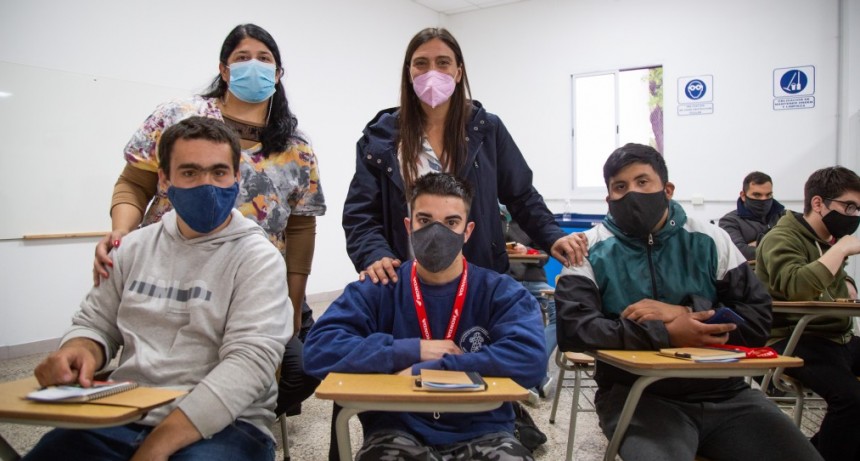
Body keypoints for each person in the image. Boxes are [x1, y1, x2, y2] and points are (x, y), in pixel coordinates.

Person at [91, 24, 324, 418]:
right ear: (224, 68)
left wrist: (293, 304)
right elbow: (134, 181)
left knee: (302, 368)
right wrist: (121, 233)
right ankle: (166, 406)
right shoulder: (179, 118)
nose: (254, 65)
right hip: (170, 275)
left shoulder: (294, 146)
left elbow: (301, 226)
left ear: (279, 73)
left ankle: (226, 412)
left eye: (264, 59)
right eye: (242, 57)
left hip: (253, 280)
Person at [23, 117, 290, 461]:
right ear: (164, 179)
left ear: (237, 176)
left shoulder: (258, 258)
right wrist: (81, 350)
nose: (207, 185)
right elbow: (95, 323)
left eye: (219, 172)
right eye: (190, 173)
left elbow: (248, 365)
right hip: (127, 411)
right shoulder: (133, 248)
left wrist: (157, 446)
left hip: (228, 424)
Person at [555, 143, 821, 461]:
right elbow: (575, 329)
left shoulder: (711, 239)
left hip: (727, 394)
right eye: (620, 187)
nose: (632, 194)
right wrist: (668, 333)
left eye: (643, 182)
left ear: (667, 189)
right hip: (638, 397)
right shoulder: (588, 249)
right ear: (608, 198)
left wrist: (688, 314)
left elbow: (758, 319)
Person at [305, 173, 546, 461]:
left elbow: (530, 358)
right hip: (396, 430)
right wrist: (411, 349)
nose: (437, 232)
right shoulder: (381, 287)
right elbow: (318, 349)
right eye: (425, 220)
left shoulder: (500, 291)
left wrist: (435, 367)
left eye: (451, 222)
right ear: (409, 226)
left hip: (484, 430)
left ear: (467, 231)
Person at [342, 27, 586, 286]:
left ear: (458, 72)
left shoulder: (487, 130)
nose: (432, 72)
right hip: (406, 281)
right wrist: (374, 254)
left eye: (443, 63)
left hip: (480, 279)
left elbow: (521, 195)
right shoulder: (381, 138)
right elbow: (361, 213)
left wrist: (552, 235)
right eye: (421, 64)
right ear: (409, 72)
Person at [755, 166, 860, 461]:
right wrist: (840, 251)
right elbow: (799, 287)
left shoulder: (827, 240)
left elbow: (832, 284)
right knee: (851, 400)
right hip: (792, 339)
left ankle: (814, 451)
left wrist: (847, 280)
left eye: (858, 209)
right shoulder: (782, 237)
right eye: (848, 206)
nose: (854, 216)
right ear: (818, 203)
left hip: (836, 337)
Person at [501, 204, 555, 401]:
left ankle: (533, 372)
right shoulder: (491, 219)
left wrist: (528, 250)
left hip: (535, 279)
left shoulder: (530, 221)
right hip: (509, 281)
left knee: (562, 311)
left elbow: (545, 255)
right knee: (522, 321)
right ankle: (536, 376)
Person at [719, 171, 785, 260]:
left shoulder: (784, 216)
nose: (764, 200)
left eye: (768, 195)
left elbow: (801, 243)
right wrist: (782, 246)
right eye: (757, 195)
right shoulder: (729, 221)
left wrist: (757, 243)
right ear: (743, 195)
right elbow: (739, 253)